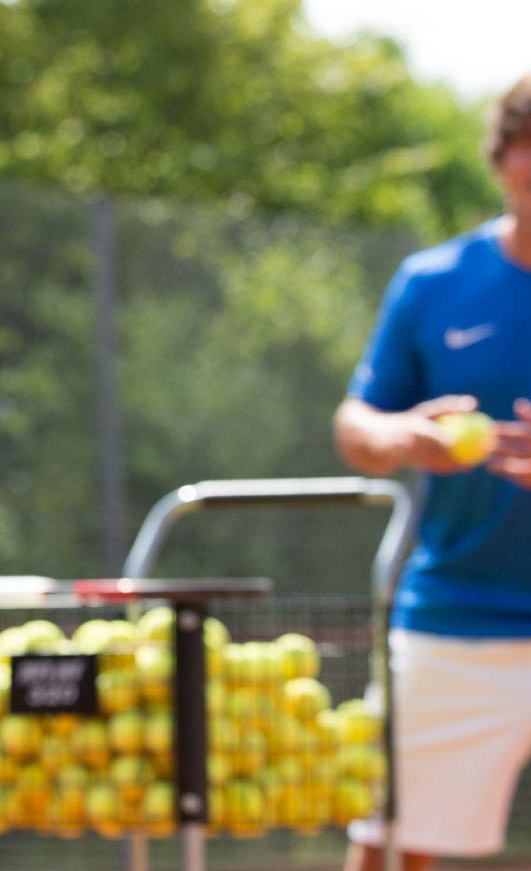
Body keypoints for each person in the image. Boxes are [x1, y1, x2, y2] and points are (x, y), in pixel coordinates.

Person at [334, 73, 531, 871]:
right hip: (456, 616)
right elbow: (357, 423)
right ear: (503, 156)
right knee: (389, 842)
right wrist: (401, 436)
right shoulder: (433, 282)